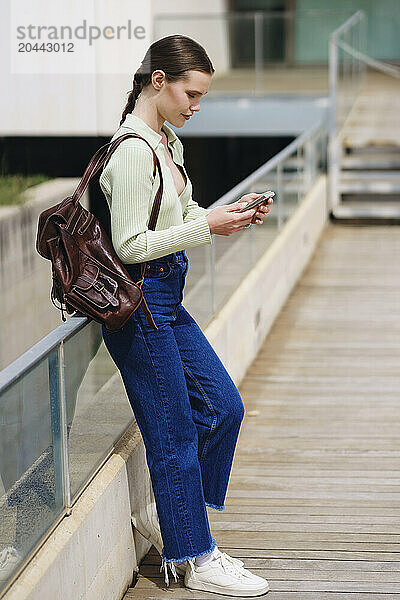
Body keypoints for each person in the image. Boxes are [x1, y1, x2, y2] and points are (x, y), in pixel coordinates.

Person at [99, 34, 273, 597]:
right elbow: (129, 244)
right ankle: (195, 557)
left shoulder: (167, 141)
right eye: (191, 94)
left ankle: (172, 518)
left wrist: (227, 215)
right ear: (159, 82)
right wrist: (208, 228)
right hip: (141, 302)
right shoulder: (132, 150)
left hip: (168, 298)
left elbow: (181, 213)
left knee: (224, 406)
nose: (197, 105)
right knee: (172, 432)